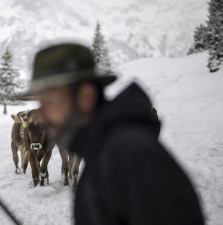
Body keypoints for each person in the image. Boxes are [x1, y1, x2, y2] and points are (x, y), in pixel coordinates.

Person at [24, 43, 204, 225]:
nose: (41, 115)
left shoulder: (132, 155)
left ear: (86, 96)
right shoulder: (104, 150)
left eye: (50, 101)